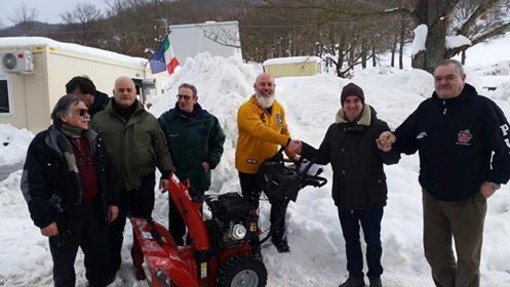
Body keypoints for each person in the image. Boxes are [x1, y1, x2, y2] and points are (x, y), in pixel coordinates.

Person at [378, 59, 510, 287]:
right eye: (438, 79)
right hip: (433, 197)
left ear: (463, 78)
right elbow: (406, 139)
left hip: (468, 198)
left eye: (450, 77)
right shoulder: (427, 109)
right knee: (435, 255)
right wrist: (392, 139)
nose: (443, 83)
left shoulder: (483, 109)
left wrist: (493, 182)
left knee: (467, 260)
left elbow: (506, 149)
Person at [299, 83, 399, 287]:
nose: (352, 105)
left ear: (363, 103)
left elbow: (393, 159)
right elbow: (322, 156)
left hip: (371, 196)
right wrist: (302, 148)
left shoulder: (378, 127)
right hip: (344, 196)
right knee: (351, 240)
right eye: (347, 101)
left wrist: (386, 149)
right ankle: (355, 277)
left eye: (356, 101)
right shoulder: (335, 130)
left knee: (373, 241)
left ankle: (374, 277)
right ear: (342, 104)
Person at [20, 94, 119, 287]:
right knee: (64, 268)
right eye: (80, 112)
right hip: (63, 214)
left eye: (87, 112)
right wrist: (45, 220)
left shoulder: (93, 140)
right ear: (63, 116)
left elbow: (109, 173)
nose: (87, 116)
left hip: (94, 211)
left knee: (99, 261)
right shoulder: (45, 143)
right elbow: (32, 185)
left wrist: (113, 202)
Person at [90, 76, 174, 280]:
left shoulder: (148, 120)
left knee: (142, 228)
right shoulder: (99, 120)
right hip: (113, 186)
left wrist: (166, 172)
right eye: (121, 90)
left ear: (135, 92)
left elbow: (161, 148)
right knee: (113, 229)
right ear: (114, 92)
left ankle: (140, 262)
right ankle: (111, 265)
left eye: (129, 90)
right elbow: (90, 152)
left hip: (142, 184)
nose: (126, 93)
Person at [235, 72, 302, 253]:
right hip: (249, 166)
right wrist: (286, 142)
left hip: (272, 164)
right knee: (251, 205)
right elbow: (259, 130)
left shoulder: (278, 108)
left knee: (280, 200)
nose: (266, 88)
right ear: (255, 86)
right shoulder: (246, 109)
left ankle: (277, 235)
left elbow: (284, 131)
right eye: (262, 84)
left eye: (269, 85)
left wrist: (293, 154)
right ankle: (252, 241)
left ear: (274, 87)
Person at [158, 83, 226, 245]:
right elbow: (159, 147)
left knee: (195, 215)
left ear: (195, 99)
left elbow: (218, 142)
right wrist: (166, 171)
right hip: (176, 179)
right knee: (176, 216)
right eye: (180, 96)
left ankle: (194, 244)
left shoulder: (208, 121)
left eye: (186, 97)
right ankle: (177, 244)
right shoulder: (167, 120)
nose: (182, 100)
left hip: (198, 178)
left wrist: (210, 162)